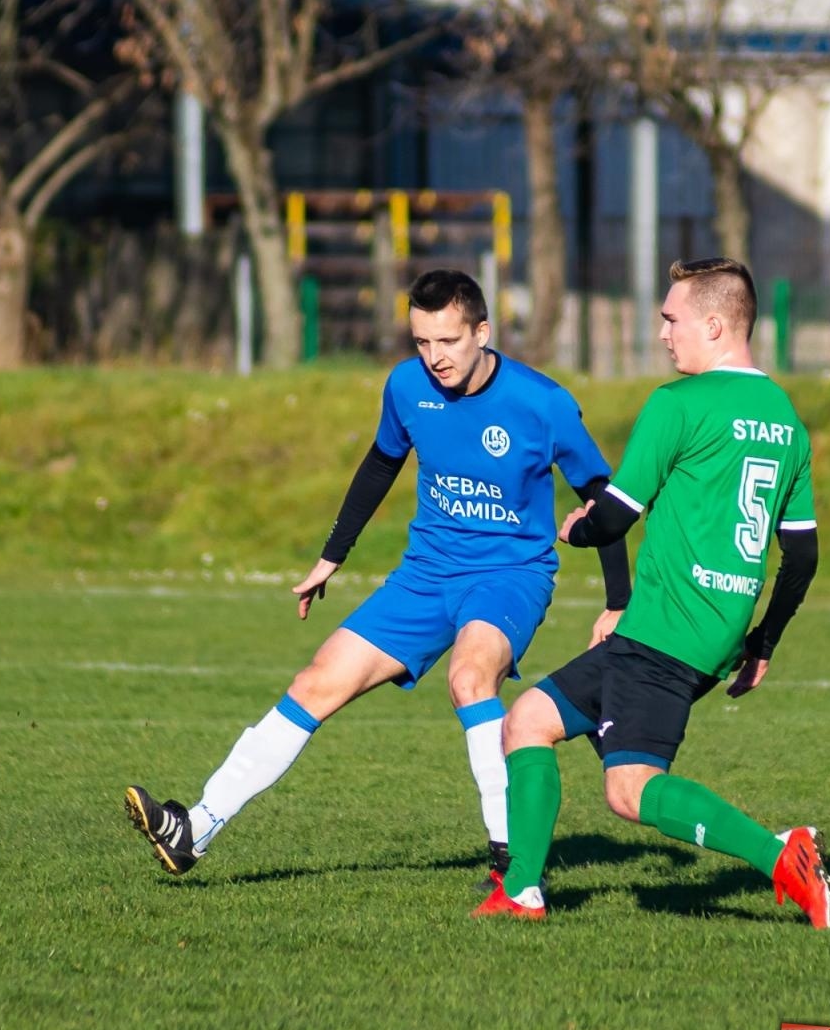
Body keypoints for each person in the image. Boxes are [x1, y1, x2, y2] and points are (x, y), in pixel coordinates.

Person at [124, 269, 629, 883]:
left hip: (508, 576)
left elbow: (604, 498)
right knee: (315, 682)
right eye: (421, 342)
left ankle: (512, 862)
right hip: (424, 575)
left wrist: (617, 601)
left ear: (483, 332)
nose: (434, 357)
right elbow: (381, 462)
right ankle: (194, 829)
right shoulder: (405, 386)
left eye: (448, 341)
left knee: (470, 679)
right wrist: (332, 556)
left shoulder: (541, 403)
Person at [473, 257, 830, 928]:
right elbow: (803, 555)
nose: (663, 334)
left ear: (716, 324)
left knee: (629, 790)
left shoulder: (678, 404)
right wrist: (763, 642)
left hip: (667, 634)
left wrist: (578, 529)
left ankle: (782, 854)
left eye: (672, 320)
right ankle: (521, 890)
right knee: (528, 721)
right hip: (694, 631)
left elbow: (614, 515)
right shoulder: (785, 417)